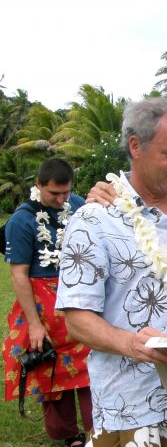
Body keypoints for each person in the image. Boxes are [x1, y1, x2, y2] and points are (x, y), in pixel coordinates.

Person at [55, 98, 167, 446]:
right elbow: (77, 318)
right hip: (134, 407)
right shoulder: (94, 220)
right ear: (136, 146)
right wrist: (130, 343)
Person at [2, 158, 92, 447]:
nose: (61, 199)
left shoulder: (76, 205)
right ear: (39, 185)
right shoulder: (21, 220)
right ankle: (69, 435)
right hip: (42, 302)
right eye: (54, 194)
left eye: (65, 193)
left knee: (93, 364)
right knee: (52, 370)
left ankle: (98, 426)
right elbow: (19, 275)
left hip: (79, 296)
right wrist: (34, 324)